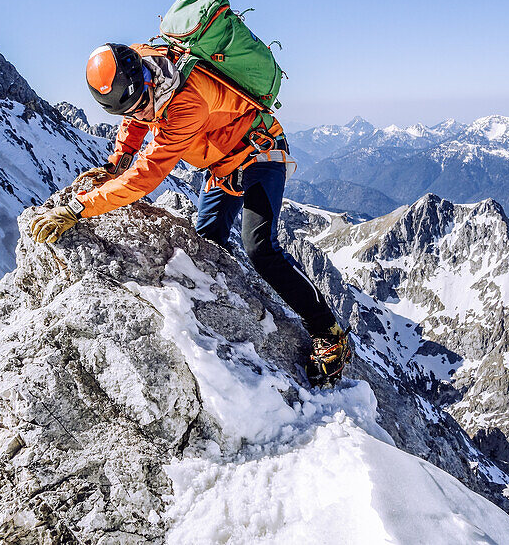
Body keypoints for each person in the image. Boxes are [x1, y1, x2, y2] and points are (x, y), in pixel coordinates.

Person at [29, 42, 351, 385]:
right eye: (129, 107)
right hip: (221, 164)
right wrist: (115, 165)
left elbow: (146, 177)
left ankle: (327, 330)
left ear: (145, 81)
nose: (139, 111)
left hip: (259, 152)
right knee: (207, 243)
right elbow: (135, 119)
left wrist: (80, 207)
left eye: (141, 103)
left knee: (260, 249)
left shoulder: (187, 102)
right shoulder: (138, 70)